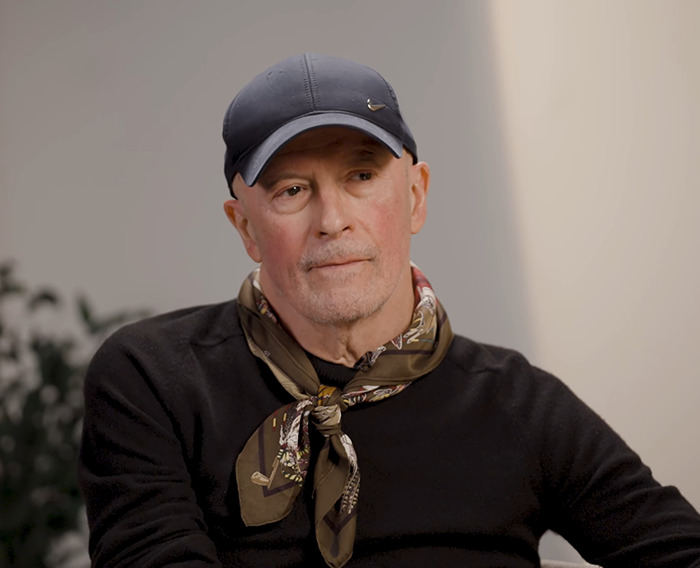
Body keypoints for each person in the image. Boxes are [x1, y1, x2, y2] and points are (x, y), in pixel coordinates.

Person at [78, 53, 700, 568]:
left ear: (416, 196)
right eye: (292, 190)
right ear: (244, 226)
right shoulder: (152, 380)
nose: (332, 220)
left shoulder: (518, 404)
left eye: (361, 175)